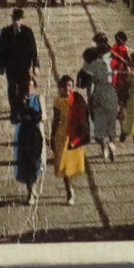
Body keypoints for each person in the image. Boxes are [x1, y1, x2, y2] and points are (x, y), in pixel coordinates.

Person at [49, 74, 89, 205]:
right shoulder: (58, 102)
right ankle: (69, 191)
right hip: (62, 135)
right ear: (60, 87)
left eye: (69, 86)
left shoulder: (78, 100)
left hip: (74, 135)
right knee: (63, 164)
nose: (67, 88)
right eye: (65, 86)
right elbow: (55, 121)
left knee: (73, 164)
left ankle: (71, 186)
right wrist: (52, 136)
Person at [78, 42, 119, 161]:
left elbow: (88, 84)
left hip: (98, 94)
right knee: (110, 122)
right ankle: (111, 143)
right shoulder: (113, 62)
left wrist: (90, 99)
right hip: (111, 93)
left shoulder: (92, 65)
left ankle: (104, 147)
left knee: (99, 122)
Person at [0, 8, 39, 119]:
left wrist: (35, 64)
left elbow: (33, 49)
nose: (16, 22)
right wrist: (0, 65)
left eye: (18, 19)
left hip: (24, 65)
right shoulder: (5, 32)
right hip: (10, 66)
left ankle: (22, 108)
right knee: (12, 88)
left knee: (24, 88)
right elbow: (1, 49)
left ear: (22, 20)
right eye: (15, 19)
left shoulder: (27, 32)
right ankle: (14, 110)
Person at [12, 79, 45, 204]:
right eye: (26, 87)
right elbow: (14, 119)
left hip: (36, 134)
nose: (29, 89)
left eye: (31, 86)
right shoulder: (19, 101)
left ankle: (33, 187)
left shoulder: (38, 99)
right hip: (24, 135)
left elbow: (43, 116)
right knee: (26, 164)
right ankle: (30, 192)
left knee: (36, 163)